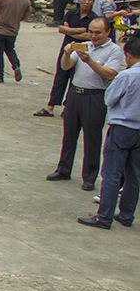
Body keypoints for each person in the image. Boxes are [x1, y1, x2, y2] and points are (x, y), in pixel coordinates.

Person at [46, 17, 125, 191]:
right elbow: (66, 67)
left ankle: (89, 176)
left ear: (107, 32)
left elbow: (109, 74)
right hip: (75, 93)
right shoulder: (84, 45)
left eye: (98, 32)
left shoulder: (114, 51)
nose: (94, 36)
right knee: (69, 135)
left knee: (92, 138)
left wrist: (90, 61)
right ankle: (63, 168)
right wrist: (67, 53)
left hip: (95, 96)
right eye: (91, 32)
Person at [79, 34, 140, 229]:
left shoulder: (127, 76)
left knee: (112, 173)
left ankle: (104, 216)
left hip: (123, 127)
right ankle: (127, 214)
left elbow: (109, 99)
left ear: (128, 56)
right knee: (134, 174)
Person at [36, 0, 96, 118]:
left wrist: (70, 31)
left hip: (81, 51)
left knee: (75, 79)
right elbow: (61, 29)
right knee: (60, 77)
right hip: (67, 49)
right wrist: (79, 31)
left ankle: (68, 107)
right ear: (79, 0)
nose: (87, 2)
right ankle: (51, 106)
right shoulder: (71, 14)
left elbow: (89, 36)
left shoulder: (93, 18)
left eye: (90, 0)